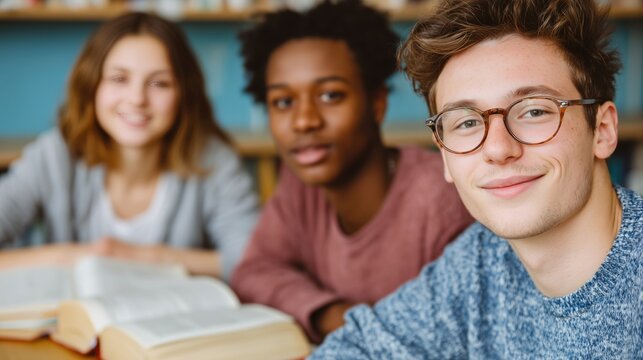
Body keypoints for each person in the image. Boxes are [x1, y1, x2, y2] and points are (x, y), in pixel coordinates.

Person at [312, 0, 643, 357]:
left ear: (603, 131)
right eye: (467, 122)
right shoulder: (481, 259)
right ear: (444, 155)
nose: (498, 149)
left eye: (534, 110)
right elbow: (357, 348)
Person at [230, 0, 473, 343]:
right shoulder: (300, 184)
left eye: (330, 95)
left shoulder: (441, 200)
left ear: (377, 104)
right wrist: (331, 313)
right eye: (283, 102)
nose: (304, 121)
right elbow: (255, 271)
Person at [0, 12, 258, 281]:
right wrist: (80, 257)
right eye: (119, 79)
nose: (137, 99)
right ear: (92, 86)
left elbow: (255, 259)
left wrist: (137, 256)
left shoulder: (213, 160)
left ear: (184, 94)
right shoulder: (53, 156)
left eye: (159, 83)